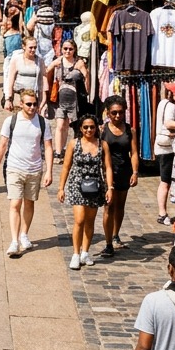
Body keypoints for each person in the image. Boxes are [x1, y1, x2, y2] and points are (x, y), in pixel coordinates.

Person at [0, 87, 53, 258]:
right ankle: (14, 240)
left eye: (34, 104)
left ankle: (24, 234)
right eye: (28, 104)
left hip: (34, 169)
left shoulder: (42, 123)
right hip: (14, 168)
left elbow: (48, 147)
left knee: (29, 203)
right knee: (15, 204)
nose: (32, 107)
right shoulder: (11, 121)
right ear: (21, 104)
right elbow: (3, 144)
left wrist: (49, 171)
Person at [57, 113, 112, 269]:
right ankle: (75, 253)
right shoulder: (74, 144)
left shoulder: (103, 145)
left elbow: (107, 167)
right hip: (77, 185)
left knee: (90, 221)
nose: (89, 130)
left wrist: (110, 187)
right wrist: (61, 187)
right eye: (86, 127)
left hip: (95, 187)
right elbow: (66, 166)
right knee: (79, 220)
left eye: (92, 127)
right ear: (80, 128)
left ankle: (85, 252)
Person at [101, 94, 138, 258]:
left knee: (120, 206)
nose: (118, 116)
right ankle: (108, 242)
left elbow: (134, 152)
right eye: (114, 113)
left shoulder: (130, 130)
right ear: (107, 113)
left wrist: (135, 172)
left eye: (121, 112)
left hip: (124, 171)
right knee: (109, 206)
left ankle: (115, 234)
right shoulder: (102, 130)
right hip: (106, 172)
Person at [47, 39, 89, 162]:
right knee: (60, 125)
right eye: (65, 48)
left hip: (75, 100)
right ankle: (59, 152)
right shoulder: (59, 61)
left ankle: (72, 151)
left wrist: (87, 94)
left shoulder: (79, 62)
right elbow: (46, 71)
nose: (67, 51)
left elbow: (87, 78)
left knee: (73, 127)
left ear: (74, 49)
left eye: (70, 49)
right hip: (61, 99)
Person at [154, 89, 175, 227]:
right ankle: (162, 213)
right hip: (168, 147)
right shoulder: (171, 105)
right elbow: (168, 123)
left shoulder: (163, 103)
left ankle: (163, 212)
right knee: (166, 181)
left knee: (166, 181)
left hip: (163, 146)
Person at [3, 37, 46, 113]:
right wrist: (8, 99)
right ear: (24, 46)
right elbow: (10, 80)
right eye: (30, 47)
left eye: (35, 47)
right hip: (19, 97)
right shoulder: (16, 59)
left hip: (33, 98)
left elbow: (42, 83)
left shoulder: (39, 61)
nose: (33, 50)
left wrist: (42, 101)